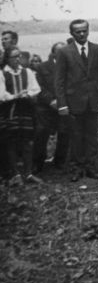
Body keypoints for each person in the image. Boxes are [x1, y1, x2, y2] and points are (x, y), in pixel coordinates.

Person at [55, 19, 98, 181]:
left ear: (88, 30)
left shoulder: (97, 49)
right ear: (72, 33)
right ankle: (77, 168)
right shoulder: (64, 52)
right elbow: (59, 80)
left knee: (92, 136)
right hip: (73, 102)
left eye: (85, 30)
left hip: (92, 100)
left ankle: (91, 167)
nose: (82, 34)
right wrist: (62, 104)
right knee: (76, 136)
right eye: (78, 32)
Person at [0, 46, 42, 185]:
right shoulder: (2, 73)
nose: (17, 59)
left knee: (28, 142)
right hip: (10, 111)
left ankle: (28, 173)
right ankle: (16, 175)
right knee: (11, 143)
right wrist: (15, 96)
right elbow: (2, 94)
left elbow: (35, 88)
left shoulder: (27, 71)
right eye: (14, 57)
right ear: (7, 58)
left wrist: (28, 94)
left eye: (19, 56)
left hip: (26, 110)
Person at [32, 42, 70, 173]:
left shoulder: (70, 66)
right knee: (41, 134)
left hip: (64, 106)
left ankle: (60, 161)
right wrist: (50, 100)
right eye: (59, 51)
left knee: (64, 133)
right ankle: (38, 162)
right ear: (53, 53)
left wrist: (63, 102)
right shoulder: (42, 67)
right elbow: (39, 87)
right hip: (45, 108)